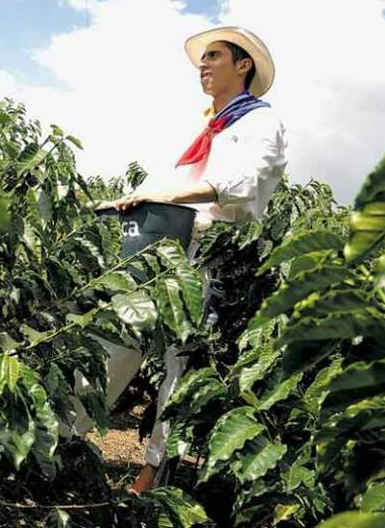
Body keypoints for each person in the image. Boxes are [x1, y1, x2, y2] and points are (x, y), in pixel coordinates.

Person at [80, 26, 288, 495]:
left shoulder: (258, 123)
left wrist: (166, 193)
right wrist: (130, 202)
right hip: (163, 250)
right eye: (202, 58)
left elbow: (245, 182)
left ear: (243, 65)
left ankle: (154, 472)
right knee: (115, 339)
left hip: (211, 257)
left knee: (181, 366)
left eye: (214, 55)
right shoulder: (203, 129)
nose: (204, 65)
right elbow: (163, 189)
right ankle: (65, 437)